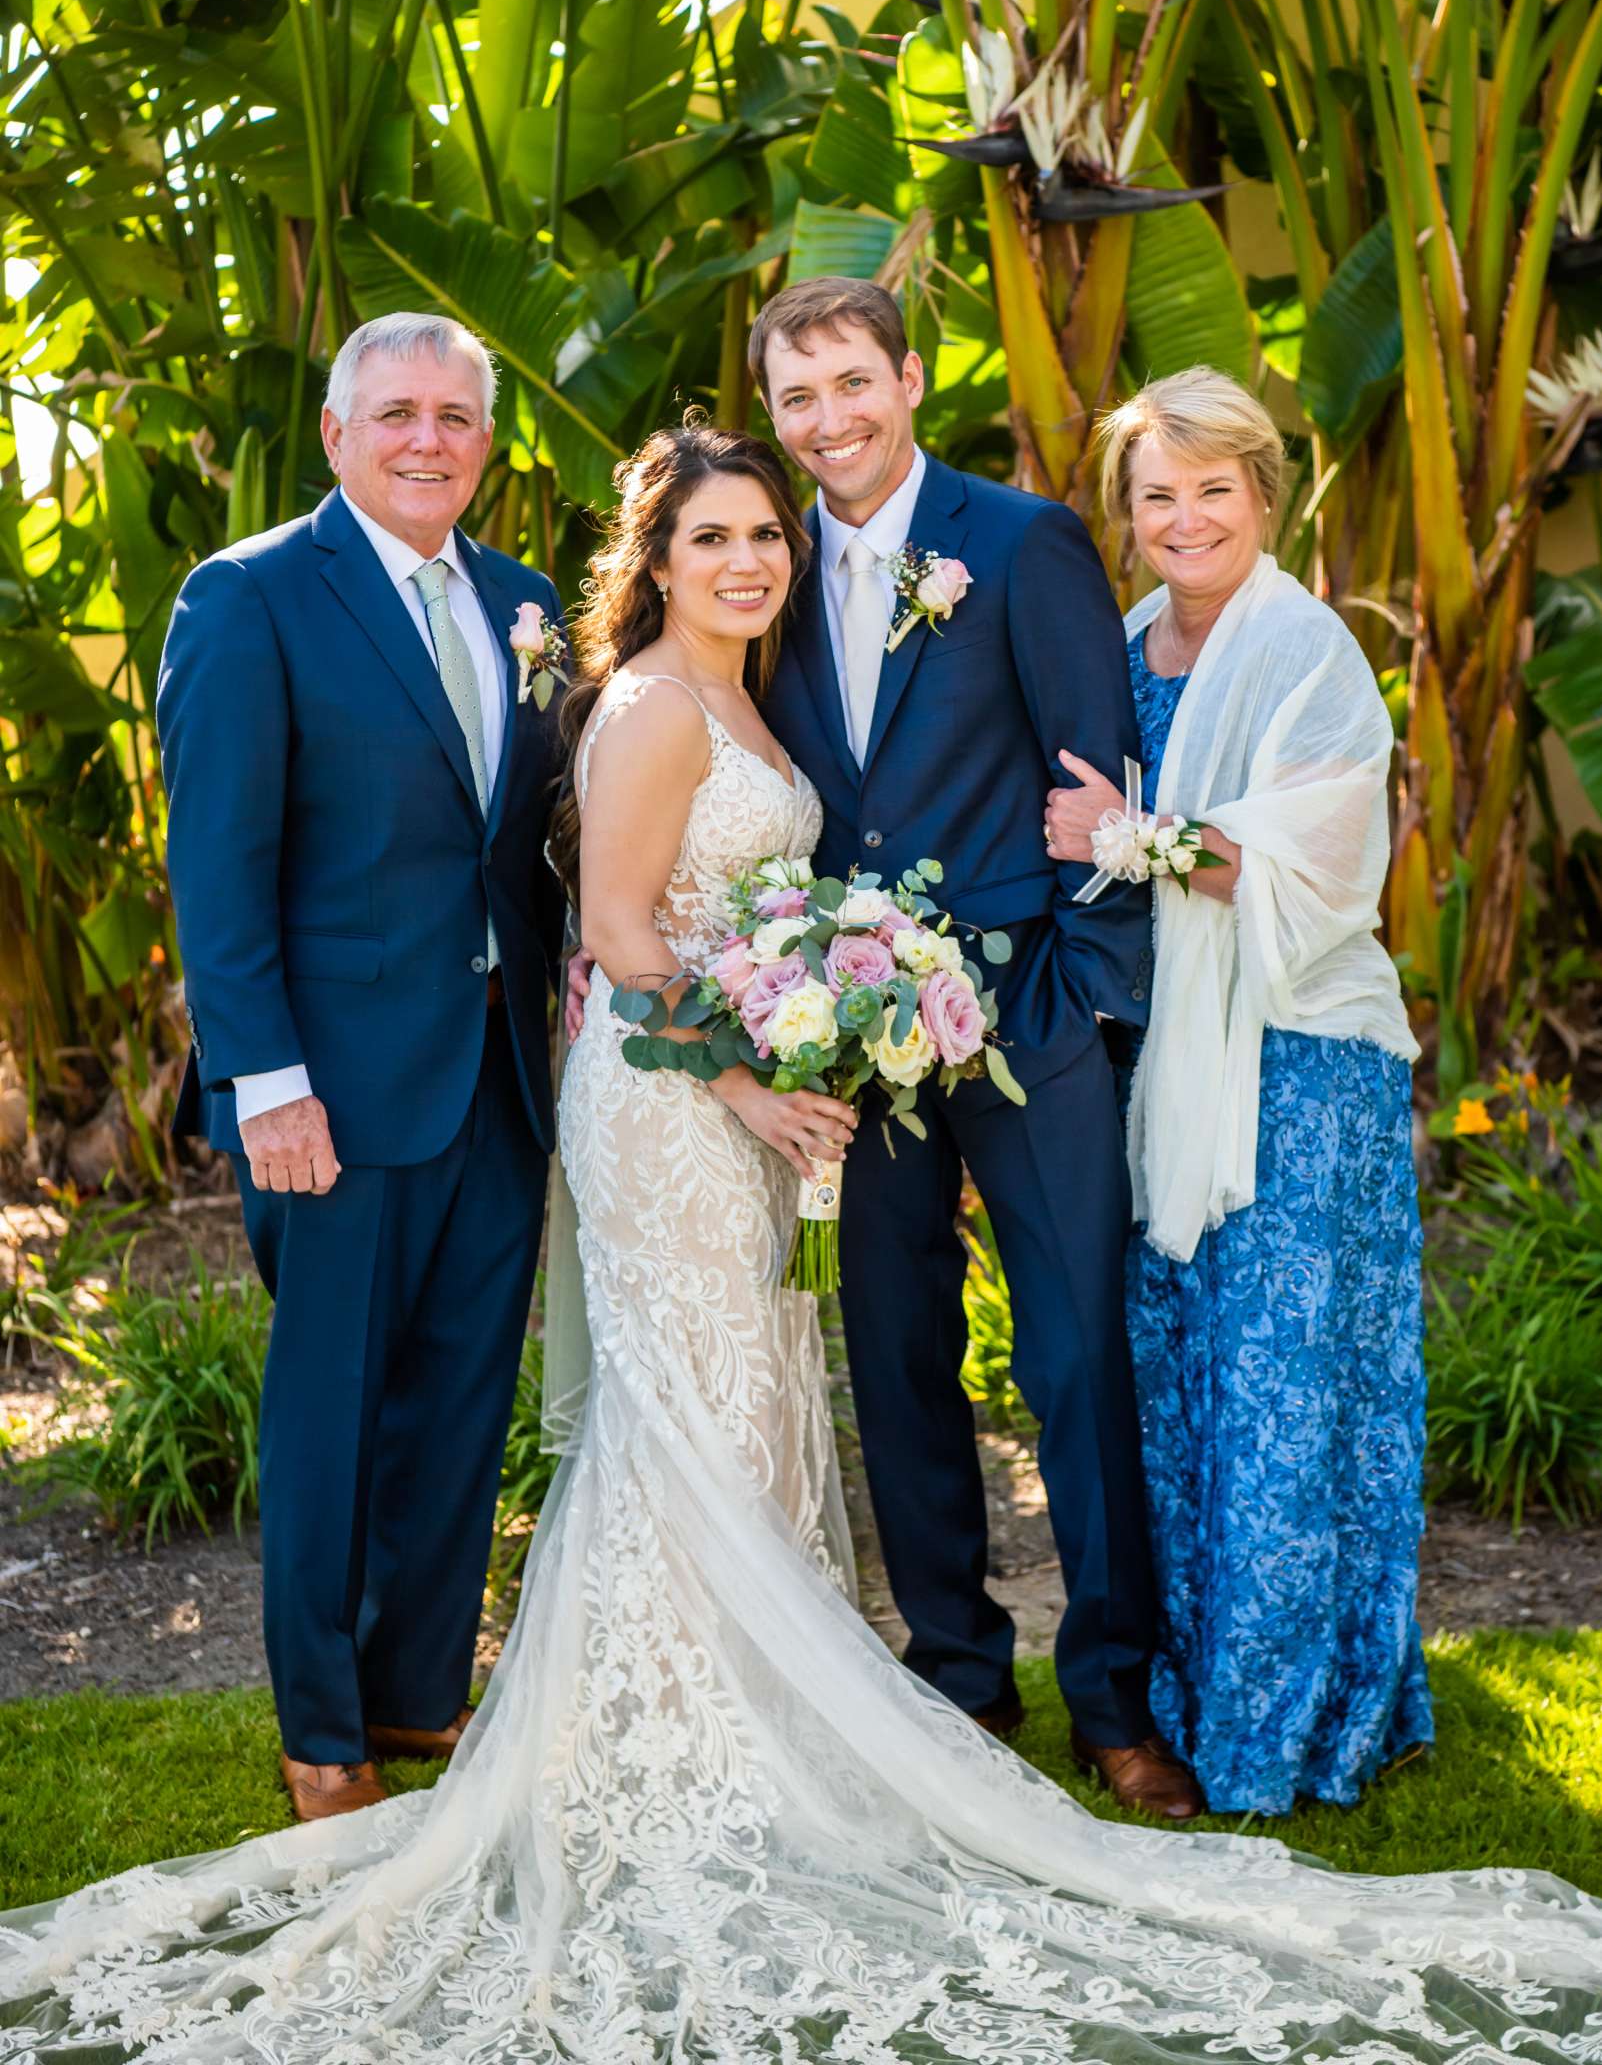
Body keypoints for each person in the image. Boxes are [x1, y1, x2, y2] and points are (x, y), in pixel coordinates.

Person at [4, 414, 1598, 2065]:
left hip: (748, 1101)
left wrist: (816, 1027)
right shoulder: (642, 705)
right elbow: (621, 936)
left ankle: (747, 1719)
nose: (749, 561)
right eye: (712, 541)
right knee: (690, 1404)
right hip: (677, 1104)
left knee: (748, 1393)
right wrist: (762, 1080)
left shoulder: (745, 700)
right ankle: (674, 1740)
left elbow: (745, 911)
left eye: (765, 536)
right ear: (661, 557)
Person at [570, 277, 1193, 1817]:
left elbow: (1090, 774)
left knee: (1067, 1353)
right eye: (797, 398)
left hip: (1026, 1019)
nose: (829, 420)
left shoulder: (1018, 540)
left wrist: (1090, 1004)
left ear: (909, 379)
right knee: (899, 1361)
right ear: (772, 416)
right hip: (844, 1040)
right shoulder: (757, 582)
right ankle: (958, 1681)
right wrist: (791, 1017)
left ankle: (1113, 1694)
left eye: (853, 383)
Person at [153, 311, 568, 1824]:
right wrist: (263, 1079)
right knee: (330, 1412)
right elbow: (219, 863)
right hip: (329, 1092)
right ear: (337, 434)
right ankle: (319, 1732)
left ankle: (410, 1701)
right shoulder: (252, 597)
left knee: (459, 1405)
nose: (425, 439)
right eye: (394, 412)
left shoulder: (526, 605)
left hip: (494, 1082)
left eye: (455, 417)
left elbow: (523, 849)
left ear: (482, 441)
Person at [1046, 366, 1435, 1814]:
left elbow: (1317, 871)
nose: (1183, 515)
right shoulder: (1128, 641)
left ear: (1262, 498)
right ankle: (1192, 1686)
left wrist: (1126, 836)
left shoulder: (1305, 648)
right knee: (1188, 1379)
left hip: (1299, 1060)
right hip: (1170, 1063)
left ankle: (1289, 1718)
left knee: (1283, 1387)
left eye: (1213, 488)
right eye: (1156, 493)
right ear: (1127, 514)